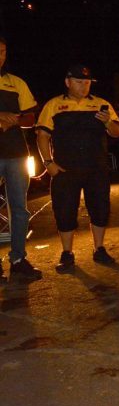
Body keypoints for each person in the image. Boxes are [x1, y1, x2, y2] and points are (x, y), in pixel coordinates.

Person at [36, 65, 119, 273]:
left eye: (87, 82)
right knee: (64, 210)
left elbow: (117, 132)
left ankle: (99, 248)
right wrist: (48, 163)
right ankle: (67, 253)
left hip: (96, 167)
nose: (84, 86)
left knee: (100, 208)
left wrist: (108, 122)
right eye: (78, 82)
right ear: (67, 82)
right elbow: (42, 136)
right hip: (65, 169)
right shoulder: (54, 105)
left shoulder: (101, 104)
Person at [0, 35, 42, 283]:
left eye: (3, 51)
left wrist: (11, 120)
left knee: (19, 209)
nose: (0, 56)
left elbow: (30, 118)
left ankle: (18, 259)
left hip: (16, 153)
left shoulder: (16, 82)